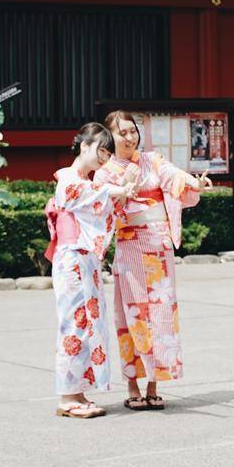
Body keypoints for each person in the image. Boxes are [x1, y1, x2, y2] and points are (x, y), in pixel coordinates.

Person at [94, 111, 212, 411]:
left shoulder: (153, 160)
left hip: (158, 246)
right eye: (122, 133)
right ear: (110, 136)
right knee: (131, 314)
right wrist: (124, 191)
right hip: (130, 245)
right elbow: (102, 206)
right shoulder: (105, 171)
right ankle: (133, 384)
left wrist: (195, 184)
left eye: (132, 131)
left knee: (160, 313)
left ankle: (153, 384)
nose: (130, 137)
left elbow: (174, 177)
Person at [46, 123, 137, 419]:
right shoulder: (69, 179)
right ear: (83, 146)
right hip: (72, 258)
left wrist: (121, 194)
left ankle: (78, 391)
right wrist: (118, 190)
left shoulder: (88, 181)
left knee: (87, 324)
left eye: (108, 152)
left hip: (85, 259)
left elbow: (105, 201)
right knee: (74, 323)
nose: (104, 156)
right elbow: (93, 194)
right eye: (101, 149)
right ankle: (67, 396)